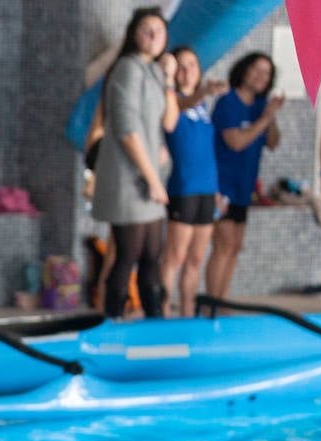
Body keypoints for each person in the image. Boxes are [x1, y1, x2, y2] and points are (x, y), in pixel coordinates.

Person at [91, 5, 179, 319]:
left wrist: (169, 79)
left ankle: (153, 322)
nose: (154, 37)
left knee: (152, 256)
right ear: (134, 34)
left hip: (149, 178)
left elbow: (169, 122)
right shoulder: (127, 68)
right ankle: (112, 322)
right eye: (147, 30)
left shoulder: (155, 71)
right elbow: (127, 130)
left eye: (159, 30)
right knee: (128, 255)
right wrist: (153, 180)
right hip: (130, 180)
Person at [205, 52, 284, 300]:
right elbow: (235, 142)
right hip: (221, 186)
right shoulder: (227, 102)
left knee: (235, 247)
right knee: (223, 245)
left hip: (244, 186)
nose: (261, 76)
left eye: (267, 73)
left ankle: (222, 299)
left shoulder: (261, 106)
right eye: (257, 69)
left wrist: (270, 118)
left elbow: (273, 142)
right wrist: (264, 119)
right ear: (244, 70)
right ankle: (212, 305)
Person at [161, 45, 228, 318]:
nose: (188, 71)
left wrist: (216, 189)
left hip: (207, 188)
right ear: (174, 72)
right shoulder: (171, 99)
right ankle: (162, 313)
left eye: (193, 65)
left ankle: (188, 314)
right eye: (182, 66)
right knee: (174, 257)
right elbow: (181, 105)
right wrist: (204, 92)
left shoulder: (202, 106)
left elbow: (206, 151)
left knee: (196, 259)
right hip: (184, 188)